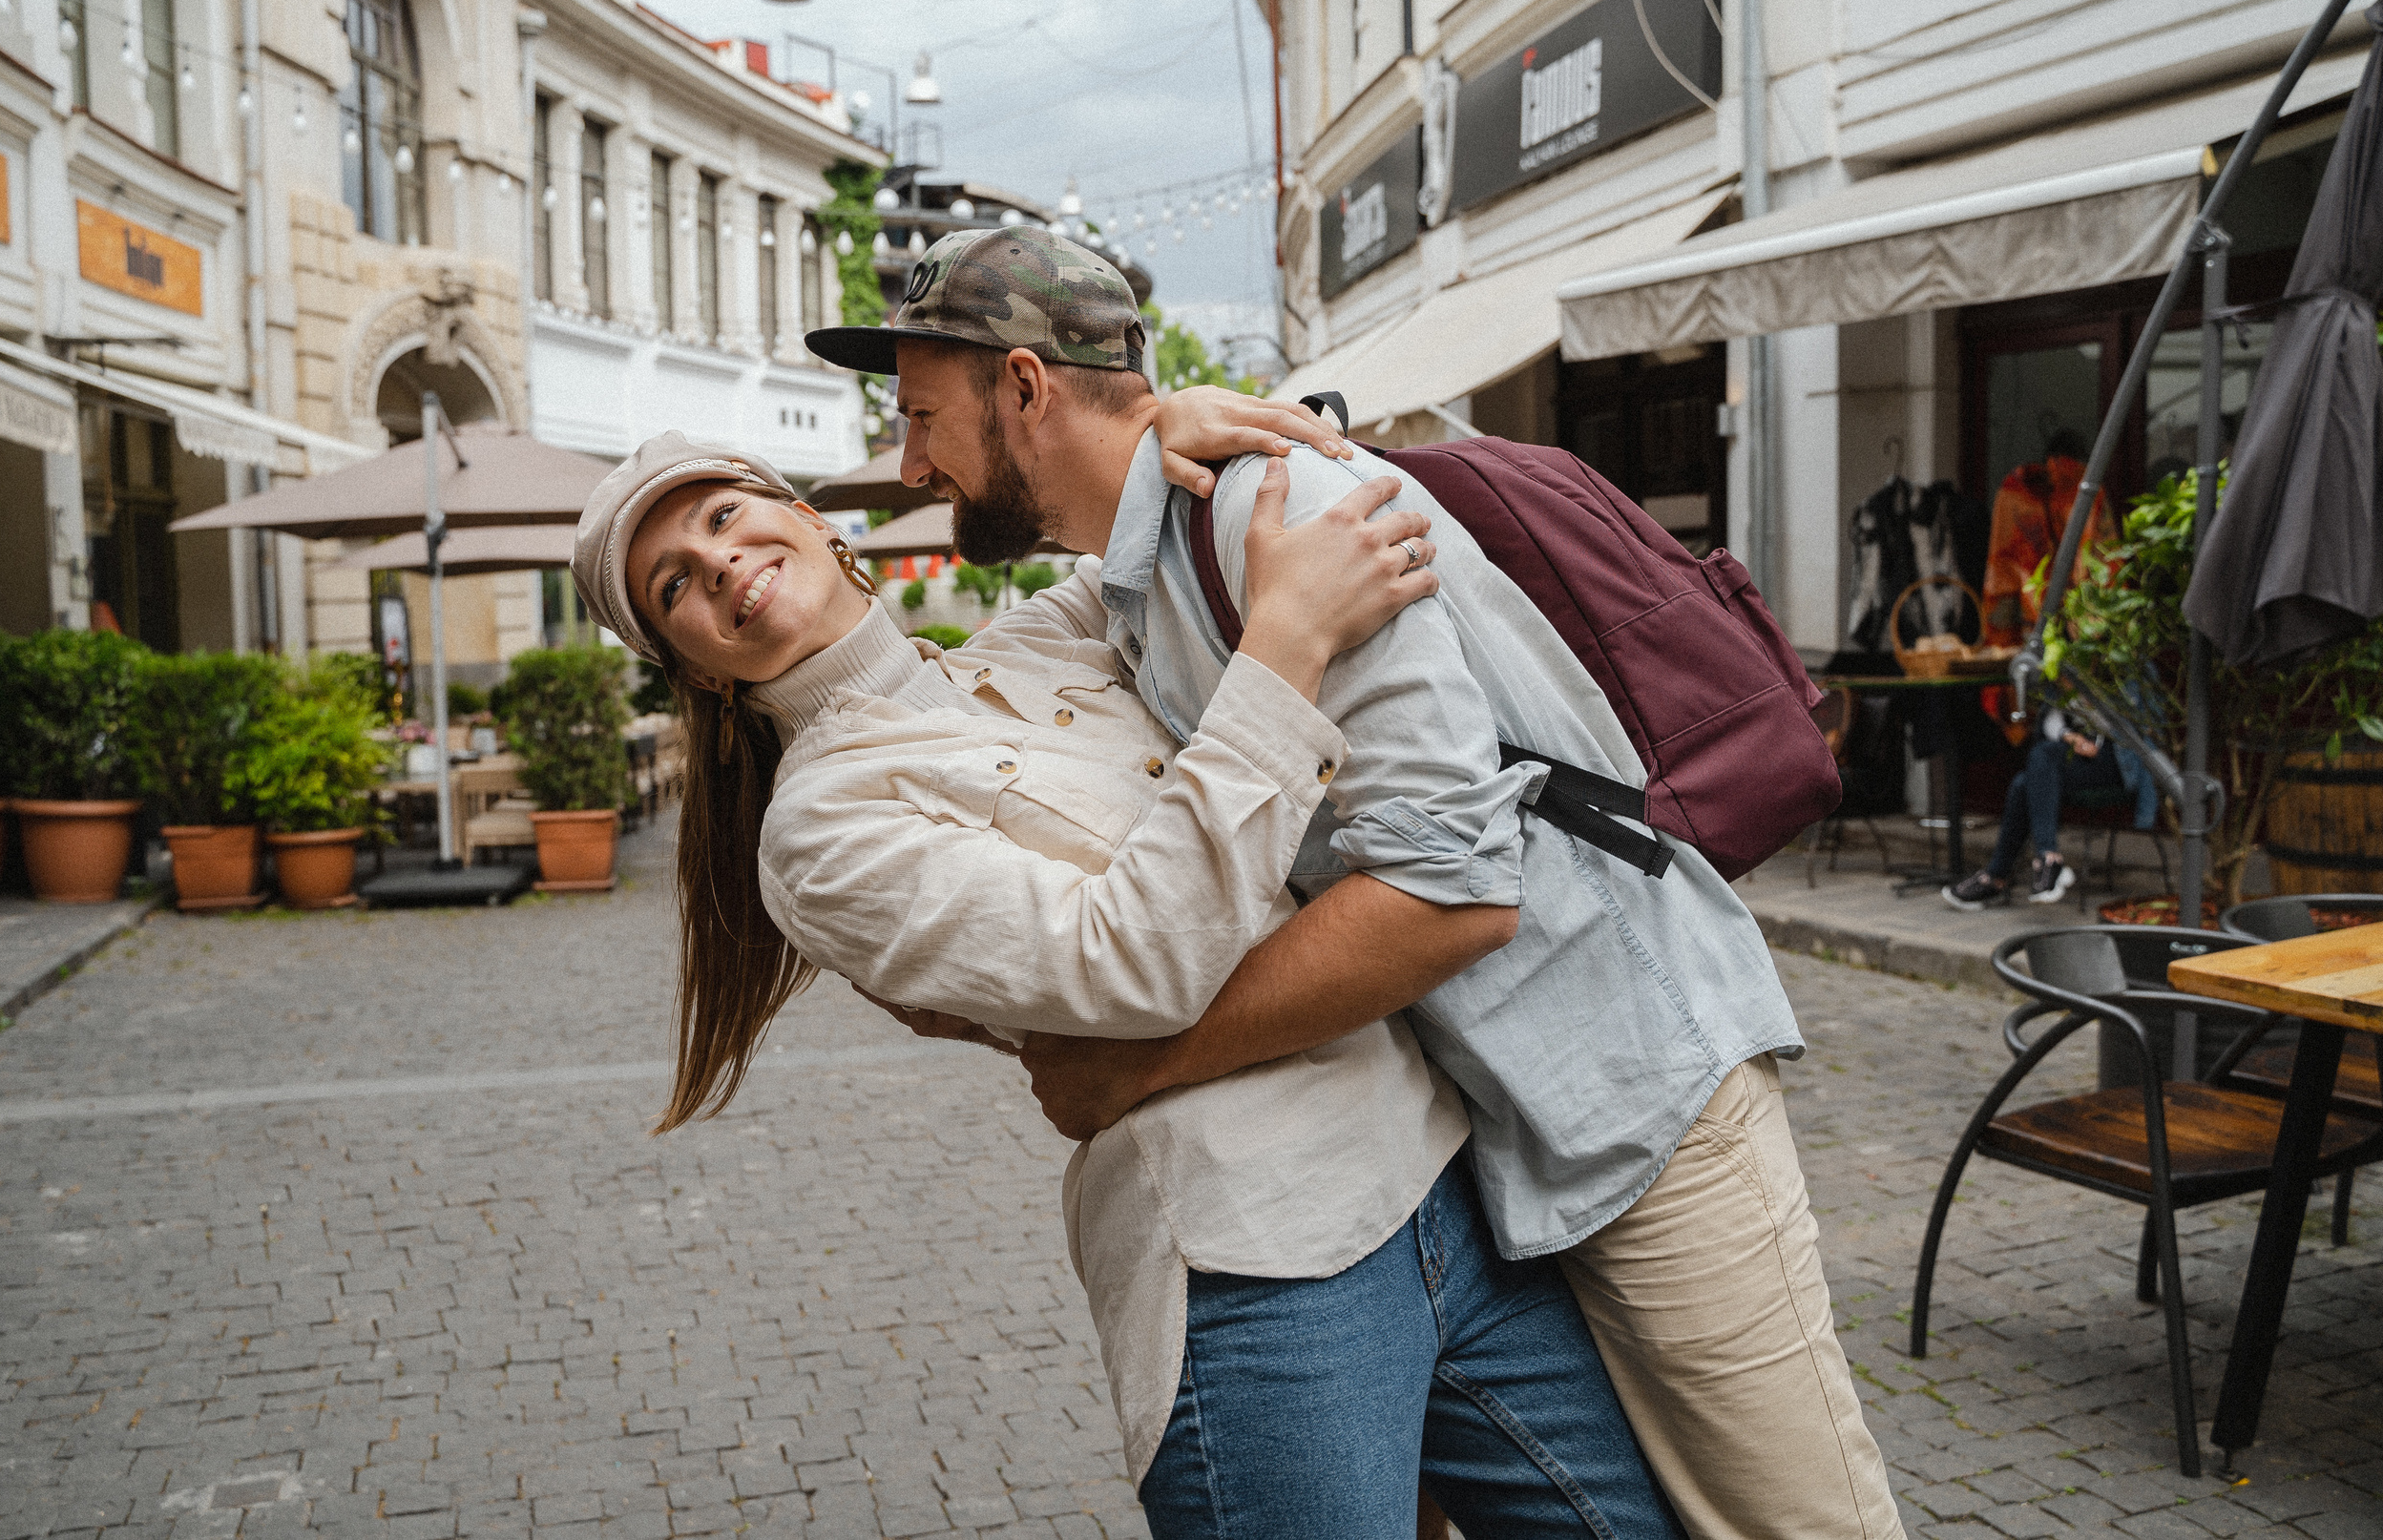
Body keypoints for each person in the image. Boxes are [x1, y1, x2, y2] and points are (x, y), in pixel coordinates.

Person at [806, 222, 1908, 1540]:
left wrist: (1141, 1067)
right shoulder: (1152, 572)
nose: (915, 458)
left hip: (1643, 1091)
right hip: (1518, 1129)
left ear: (1027, 388)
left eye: (924, 414)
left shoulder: (1281, 519)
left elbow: (1456, 891)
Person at [570, 426, 1681, 1538]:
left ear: (808, 518)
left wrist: (1166, 416)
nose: (718, 561)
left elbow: (1143, 511)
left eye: (722, 517)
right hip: (1252, 1258)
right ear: (694, 668)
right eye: (674, 584)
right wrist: (1285, 646)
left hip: (1446, 1179)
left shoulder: (1044, 634)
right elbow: (1132, 960)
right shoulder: (818, 835)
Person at [1943, 708, 2157, 909]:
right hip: (2074, 755)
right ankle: (2044, 859)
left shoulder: (2120, 677)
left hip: (2118, 763)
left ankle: (1999, 875)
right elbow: (2050, 721)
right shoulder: (2058, 677)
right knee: (2024, 781)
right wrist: (2070, 736)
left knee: (2035, 765)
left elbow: (2143, 726)